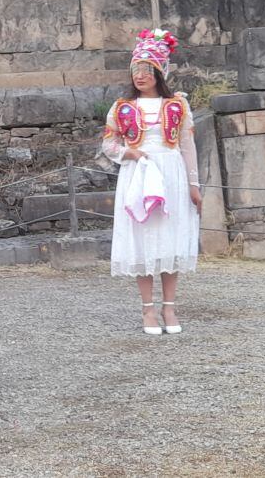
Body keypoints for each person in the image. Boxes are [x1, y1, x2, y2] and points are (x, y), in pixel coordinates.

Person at [101, 29, 201, 335]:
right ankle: (147, 310)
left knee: (171, 239)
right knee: (142, 242)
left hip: (171, 173)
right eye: (136, 71)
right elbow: (108, 145)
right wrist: (129, 153)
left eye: (147, 70)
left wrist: (194, 185)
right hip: (139, 174)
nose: (140, 76)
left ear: (159, 72)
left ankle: (169, 307)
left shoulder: (177, 105)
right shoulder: (122, 107)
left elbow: (187, 146)